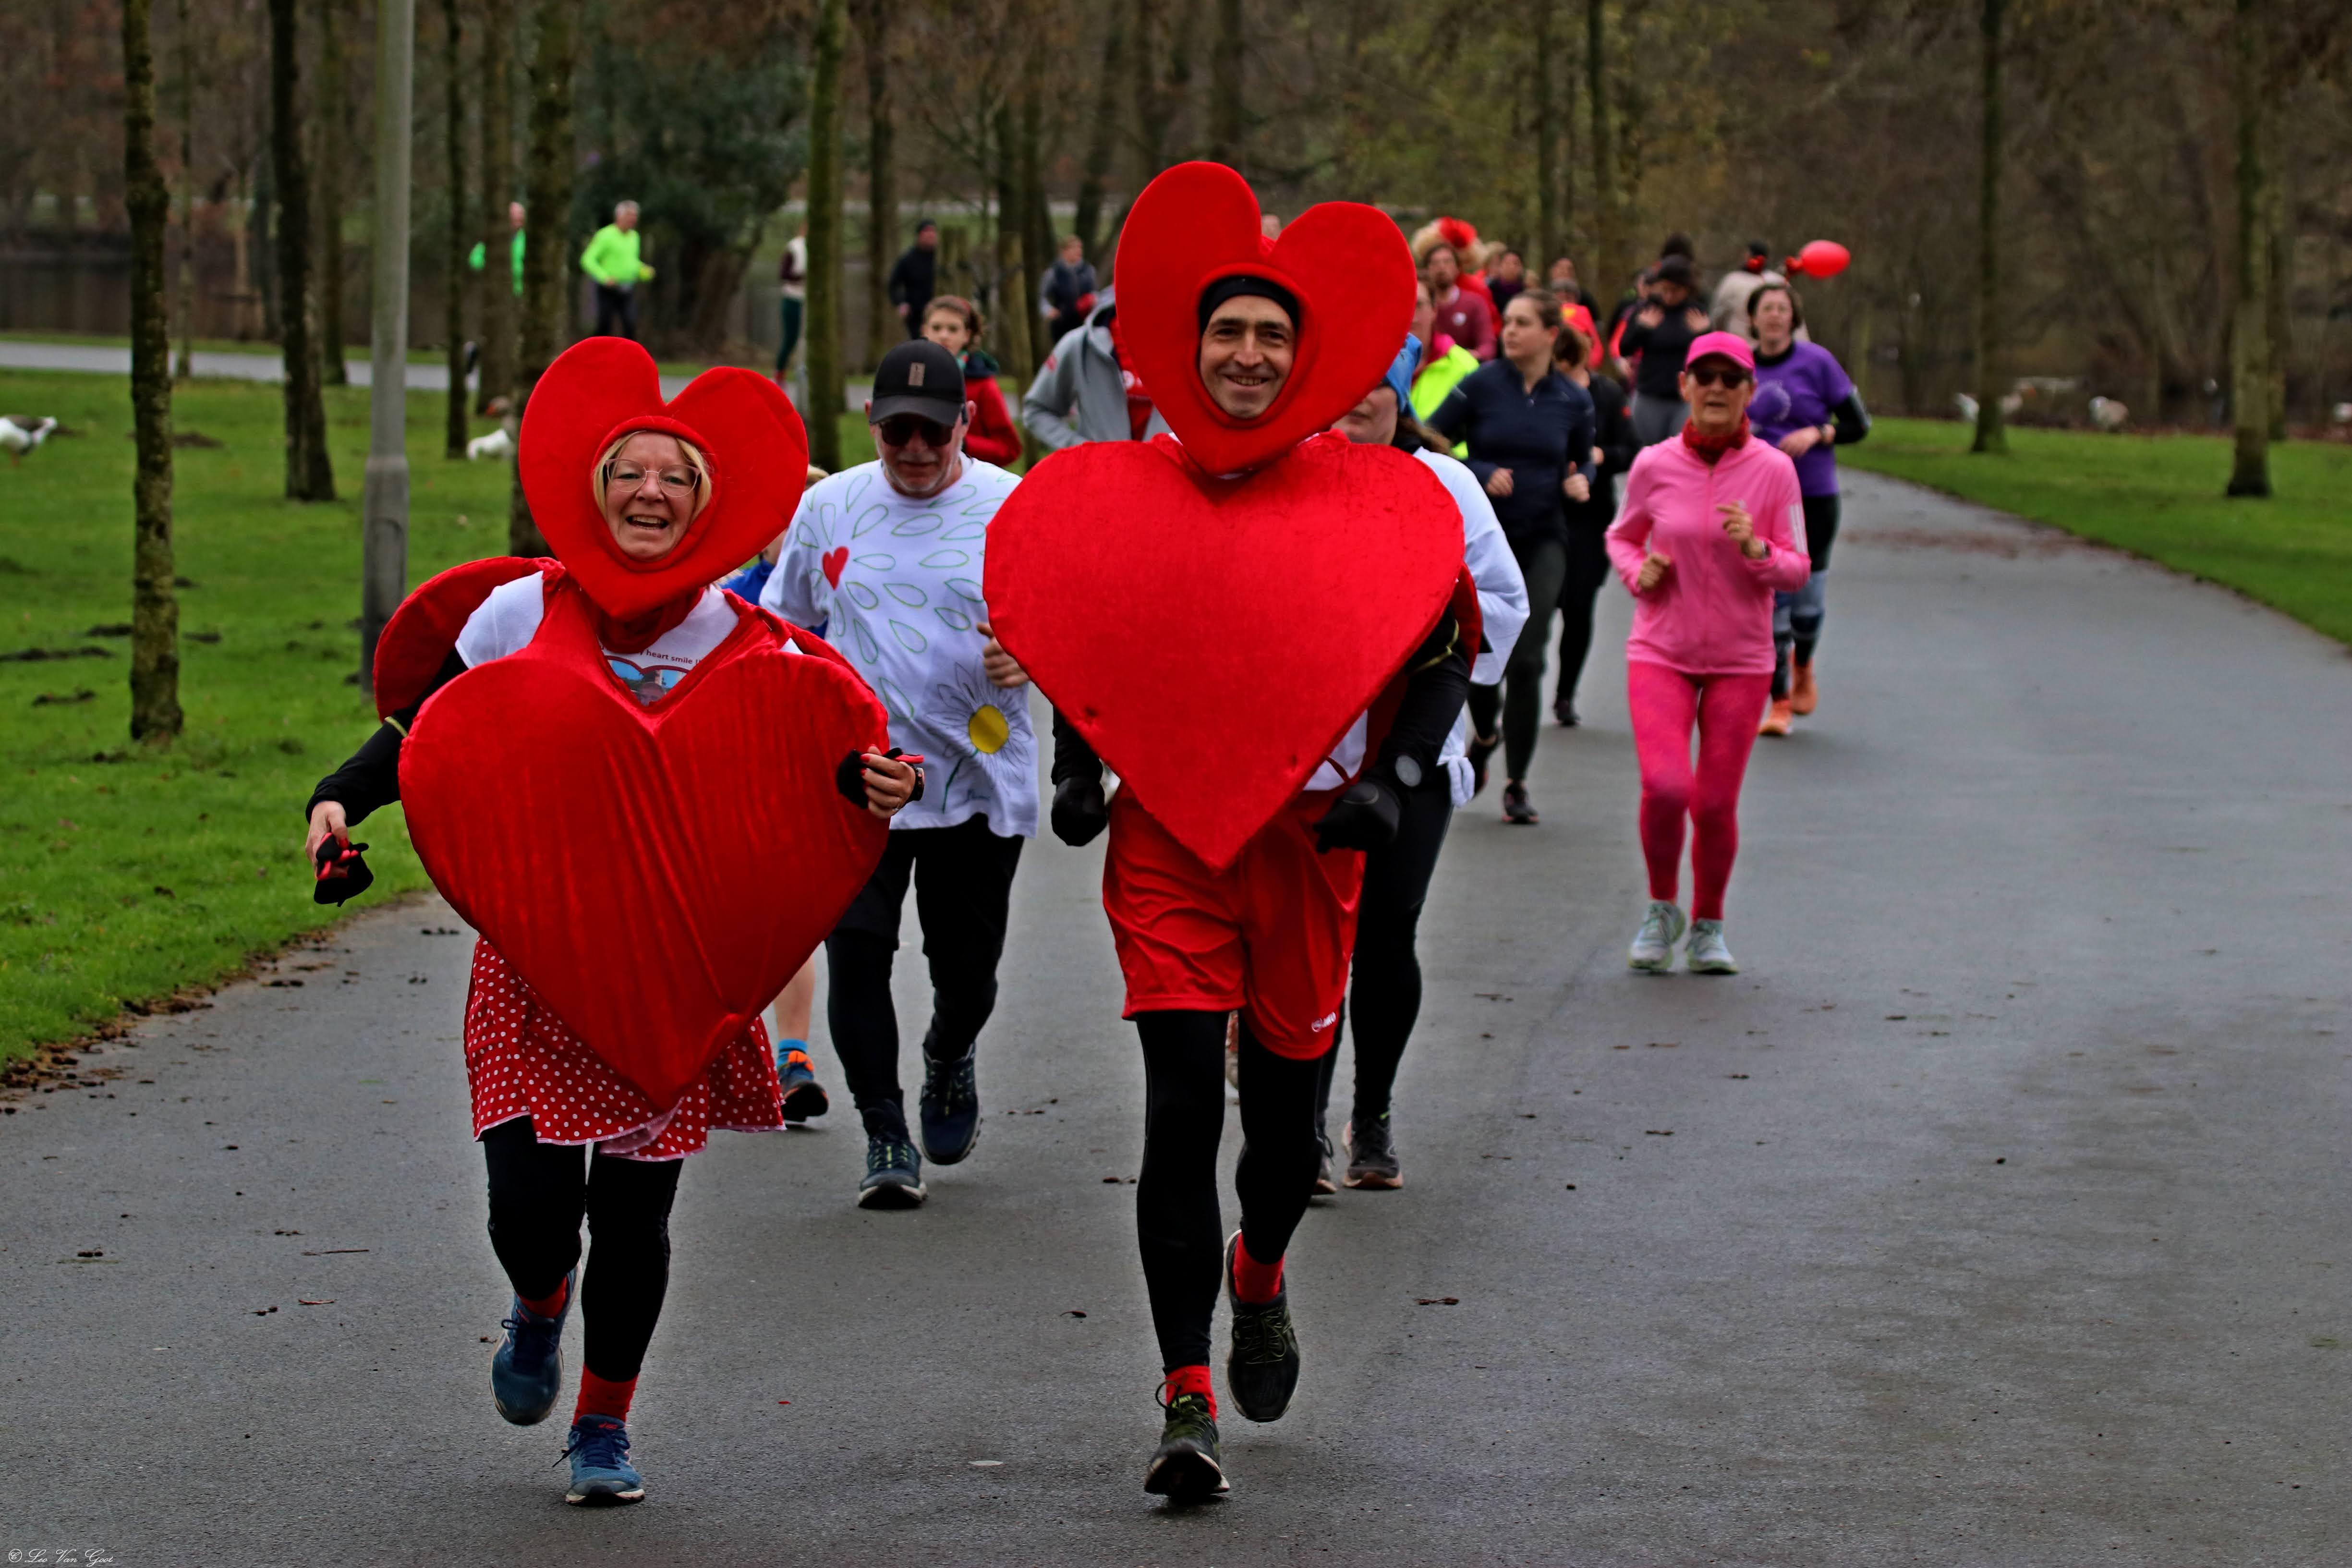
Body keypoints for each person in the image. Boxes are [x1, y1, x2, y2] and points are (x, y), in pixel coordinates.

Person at [303, 342, 918, 1506]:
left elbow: (832, 762)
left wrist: (874, 785)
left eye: (674, 478)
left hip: (676, 972)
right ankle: (538, 1306)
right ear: (594, 494)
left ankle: (603, 1423)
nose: (649, 492)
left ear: (706, 505)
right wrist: (336, 796)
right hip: (539, 958)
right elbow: (430, 729)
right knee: (533, 1216)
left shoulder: (748, 643)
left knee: (636, 1217)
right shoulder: (518, 611)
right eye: (628, 472)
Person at [1011, 171, 1472, 1500]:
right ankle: (1183, 1396)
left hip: (1313, 845)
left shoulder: (1377, 497)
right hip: (1171, 837)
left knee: (1278, 1138)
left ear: (1305, 355)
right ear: (1188, 350)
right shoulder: (1128, 493)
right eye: (1229, 334)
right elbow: (1082, 635)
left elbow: (1442, 653)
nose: (1251, 355)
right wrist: (1076, 762)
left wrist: (1392, 773)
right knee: (1173, 1117)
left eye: (1273, 336)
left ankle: (1258, 1270)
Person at [763, 340, 1035, 1209]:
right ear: (874, 426)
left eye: (932, 431)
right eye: (896, 432)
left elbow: (1077, 633)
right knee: (860, 957)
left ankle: (948, 1055)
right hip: (856, 778)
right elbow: (785, 630)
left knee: (968, 969)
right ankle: (884, 1132)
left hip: (977, 771)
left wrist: (1032, 656)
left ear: (966, 423)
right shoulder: (829, 507)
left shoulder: (1015, 508)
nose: (915, 451)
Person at [1314, 338, 1529, 1190]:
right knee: (1310, 937)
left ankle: (1370, 1113)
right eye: (1340, 380)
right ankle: (1302, 1128)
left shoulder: (1446, 485)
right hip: (1305, 757)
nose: (1358, 397)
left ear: (1400, 393)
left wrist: (1420, 665)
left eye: (1377, 382)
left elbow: (1501, 602)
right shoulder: (1288, 476)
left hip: (1413, 753)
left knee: (1384, 932)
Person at [1604, 330, 1807, 976]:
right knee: (1665, 787)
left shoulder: (1775, 471)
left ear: (1748, 392)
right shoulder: (1654, 464)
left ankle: (1708, 926)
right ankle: (1662, 907)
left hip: (1741, 660)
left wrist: (1758, 553)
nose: (1717, 388)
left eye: (1730, 379)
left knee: (1714, 803)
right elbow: (1622, 537)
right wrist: (1642, 575)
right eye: (1706, 377)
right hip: (1660, 649)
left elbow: (1798, 567)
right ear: (1685, 385)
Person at [1425, 288, 1595, 825]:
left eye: (1523, 323)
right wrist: (1477, 472)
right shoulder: (1479, 385)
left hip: (1545, 536)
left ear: (1550, 334)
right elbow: (1430, 438)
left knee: (1526, 658)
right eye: (1508, 322)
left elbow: (1584, 458)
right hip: (1483, 542)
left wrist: (1582, 482)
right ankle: (1486, 731)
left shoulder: (1572, 398)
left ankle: (1516, 782)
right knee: (1479, 651)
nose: (1510, 331)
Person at [1745, 282, 1868, 734]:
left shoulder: (1817, 362)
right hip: (1759, 499)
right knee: (1773, 603)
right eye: (1767, 309)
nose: (1775, 316)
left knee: (1807, 605)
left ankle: (1804, 663)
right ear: (1753, 318)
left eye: (1783, 309)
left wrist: (1819, 433)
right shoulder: (1741, 365)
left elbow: (1859, 424)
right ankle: (1778, 702)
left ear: (1794, 318)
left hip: (1813, 496)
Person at [1552, 304, 1637, 727]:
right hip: (1544, 513)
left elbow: (1632, 449)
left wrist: (1601, 456)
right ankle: (1518, 681)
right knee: (1536, 603)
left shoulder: (1607, 394)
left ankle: (1566, 693)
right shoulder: (1535, 391)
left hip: (1591, 515)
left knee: (1579, 607)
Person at [1020, 287, 1169, 449]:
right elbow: (1037, 410)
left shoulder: (1192, 347)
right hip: (1099, 473)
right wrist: (1084, 452)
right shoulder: (1081, 344)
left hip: (1170, 474)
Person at [1617, 253, 1709, 445]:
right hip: (1650, 395)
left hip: (1685, 399)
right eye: (1664, 289)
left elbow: (1711, 355)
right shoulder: (1648, 309)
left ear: (1687, 289)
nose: (1668, 296)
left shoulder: (1696, 312)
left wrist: (1705, 333)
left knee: (1682, 453)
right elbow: (1625, 348)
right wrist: (1642, 329)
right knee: (1643, 451)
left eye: (1675, 290)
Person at [921, 296, 1022, 465]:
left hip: (968, 482)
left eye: (953, 329)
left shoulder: (983, 385)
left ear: (967, 335)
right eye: (937, 328)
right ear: (925, 331)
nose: (944, 335)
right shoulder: (911, 376)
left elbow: (1009, 448)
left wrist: (962, 443)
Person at [1406, 279, 1479, 446]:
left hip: (1448, 463)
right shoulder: (1376, 363)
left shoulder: (1465, 365)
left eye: (1418, 305)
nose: (1410, 312)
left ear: (1434, 310)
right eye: (1403, 303)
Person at [581, 201, 655, 340]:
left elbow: (631, 261)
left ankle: (631, 359)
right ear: (619, 216)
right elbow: (587, 260)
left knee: (631, 324)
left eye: (635, 216)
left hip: (627, 289)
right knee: (604, 326)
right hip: (608, 289)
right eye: (629, 215)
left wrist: (643, 271)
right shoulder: (605, 235)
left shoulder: (635, 237)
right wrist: (604, 277)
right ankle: (597, 357)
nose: (633, 219)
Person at [1420, 240, 1496, 362]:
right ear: (1427, 270)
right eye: (1435, 263)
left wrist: (1472, 356)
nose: (1441, 267)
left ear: (1457, 268)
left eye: (1447, 262)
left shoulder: (1474, 303)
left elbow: (1487, 344)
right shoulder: (1418, 306)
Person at [1710, 241, 1786, 339]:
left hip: (1740, 344)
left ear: (1748, 255)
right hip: (1764, 345)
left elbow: (1717, 316)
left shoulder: (1732, 281)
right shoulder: (1779, 281)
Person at [1039, 234, 1099, 349]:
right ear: (1064, 251)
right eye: (1074, 248)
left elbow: (1095, 293)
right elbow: (1042, 297)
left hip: (1084, 323)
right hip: (1061, 325)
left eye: (1080, 247)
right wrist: (1048, 311)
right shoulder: (1054, 272)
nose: (1078, 251)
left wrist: (1091, 301)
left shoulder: (1088, 271)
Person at [888, 220, 941, 336]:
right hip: (917, 315)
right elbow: (893, 285)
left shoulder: (942, 259)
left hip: (941, 311)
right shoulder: (908, 260)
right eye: (926, 232)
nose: (930, 235)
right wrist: (901, 303)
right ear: (919, 235)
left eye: (933, 232)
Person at [468, 200, 526, 296]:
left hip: (520, 295)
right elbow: (474, 260)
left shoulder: (526, 240)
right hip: (496, 294)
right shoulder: (495, 239)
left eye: (520, 216)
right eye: (514, 217)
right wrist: (493, 267)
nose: (518, 220)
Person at [776, 222, 807, 381]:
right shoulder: (794, 248)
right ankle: (780, 372)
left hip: (808, 301)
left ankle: (804, 372)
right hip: (792, 298)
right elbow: (784, 274)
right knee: (791, 338)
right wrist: (802, 278)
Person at [1486, 248, 1528, 315]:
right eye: (1507, 263)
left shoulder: (1525, 293)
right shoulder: (1490, 290)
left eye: (1516, 264)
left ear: (1521, 268)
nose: (1511, 267)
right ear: (1500, 266)